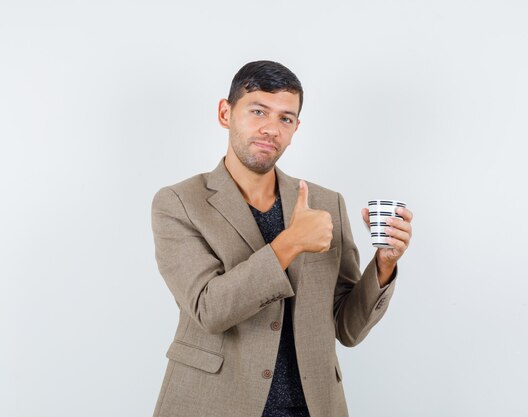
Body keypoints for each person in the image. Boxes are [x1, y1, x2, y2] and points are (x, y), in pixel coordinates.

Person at [151, 60, 413, 417]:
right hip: (214, 402)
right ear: (225, 113)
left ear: (296, 127)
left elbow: (348, 328)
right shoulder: (180, 201)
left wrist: (384, 263)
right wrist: (290, 243)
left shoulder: (326, 203)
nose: (271, 129)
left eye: (285, 119)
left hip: (312, 406)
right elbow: (209, 310)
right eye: (258, 111)